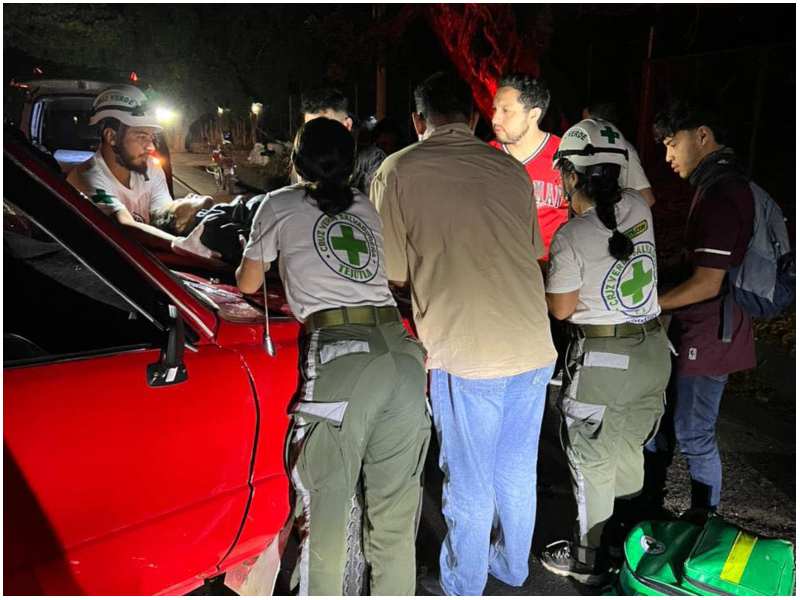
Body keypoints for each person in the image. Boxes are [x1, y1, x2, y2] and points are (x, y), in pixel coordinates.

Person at [371, 71, 556, 596]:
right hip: (532, 345)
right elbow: (535, 253)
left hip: (465, 350)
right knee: (516, 468)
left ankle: (462, 584)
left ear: (417, 120)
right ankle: (513, 567)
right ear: (474, 118)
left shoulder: (398, 170)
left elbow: (392, 271)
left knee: (469, 478)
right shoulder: (509, 168)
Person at [236, 118, 430, 596]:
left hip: (341, 354)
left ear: (295, 162)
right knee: (393, 519)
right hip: (402, 355)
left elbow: (247, 283)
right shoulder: (363, 204)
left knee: (324, 515)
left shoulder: (276, 204)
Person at [538, 119, 671, 584]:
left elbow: (562, 309)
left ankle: (589, 560)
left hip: (603, 362)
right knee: (627, 450)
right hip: (653, 352)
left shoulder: (571, 236)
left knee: (591, 461)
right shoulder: (639, 207)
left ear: (572, 176)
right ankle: (625, 542)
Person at [648, 99, 756, 516]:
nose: (668, 155)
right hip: (702, 329)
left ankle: (703, 524)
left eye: (672, 144)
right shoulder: (716, 186)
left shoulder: (722, 193)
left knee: (694, 433)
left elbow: (708, 281)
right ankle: (653, 510)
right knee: (666, 426)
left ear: (702, 136)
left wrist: (650, 305)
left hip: (711, 334)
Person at [67, 85, 212, 244]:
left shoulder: (150, 168)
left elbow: (162, 213)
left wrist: (186, 209)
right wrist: (184, 247)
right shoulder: (88, 176)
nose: (151, 147)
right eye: (142, 137)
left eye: (151, 138)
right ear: (111, 136)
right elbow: (124, 225)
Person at [491, 73, 563, 258]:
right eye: (495, 109)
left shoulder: (565, 156)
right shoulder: (485, 158)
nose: (495, 119)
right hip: (500, 271)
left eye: (506, 111)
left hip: (551, 274)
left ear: (534, 114)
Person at [299, 87, 386, 195]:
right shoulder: (303, 160)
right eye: (310, 130)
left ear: (347, 125)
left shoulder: (372, 161)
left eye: (324, 129)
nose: (316, 138)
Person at [582, 102, 657, 207]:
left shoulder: (624, 150)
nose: (580, 128)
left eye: (586, 123)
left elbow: (647, 199)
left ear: (602, 125)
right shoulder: (587, 149)